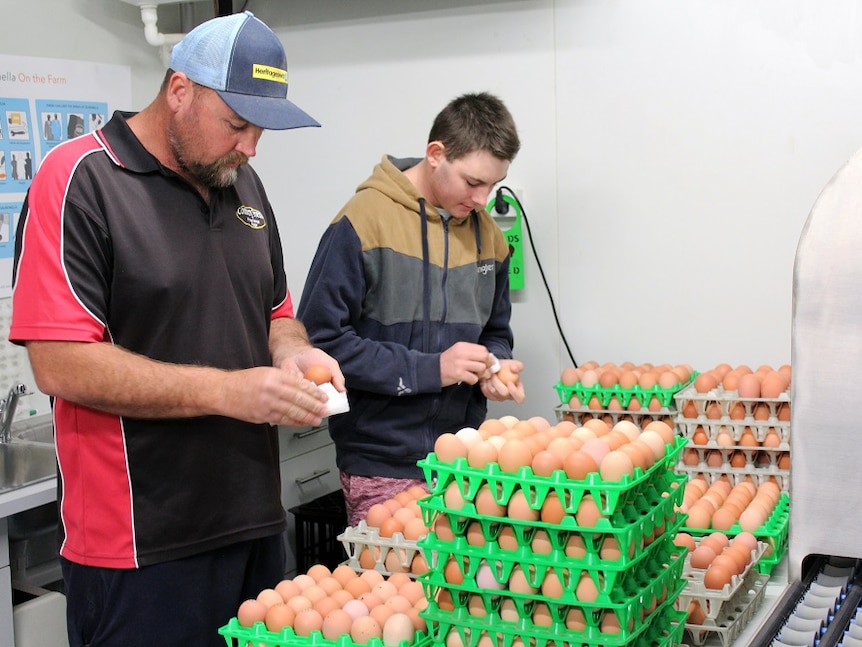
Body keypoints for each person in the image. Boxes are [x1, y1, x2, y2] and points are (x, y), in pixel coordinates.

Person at [9, 11, 343, 647]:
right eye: (237, 124)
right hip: (139, 547)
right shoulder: (80, 179)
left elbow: (275, 313)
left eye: (261, 130)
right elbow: (58, 362)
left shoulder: (243, 185)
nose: (251, 147)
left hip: (252, 524)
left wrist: (294, 352)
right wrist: (227, 392)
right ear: (179, 91)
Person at [297, 92, 525, 526]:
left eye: (493, 185)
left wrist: (498, 365)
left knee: (462, 592)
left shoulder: (490, 238)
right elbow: (319, 344)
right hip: (381, 463)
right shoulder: (363, 222)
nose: (482, 198)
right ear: (436, 154)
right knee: (399, 589)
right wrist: (432, 369)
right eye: (472, 182)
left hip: (463, 460)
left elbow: (497, 330)